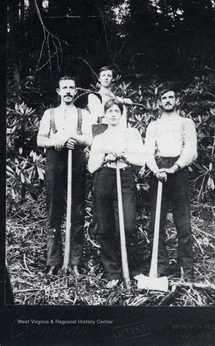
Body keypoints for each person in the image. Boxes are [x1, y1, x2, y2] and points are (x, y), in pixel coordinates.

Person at [37, 76, 92, 281]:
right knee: (54, 209)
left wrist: (72, 138)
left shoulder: (83, 114)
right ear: (58, 91)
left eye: (71, 88)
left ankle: (75, 261)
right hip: (55, 160)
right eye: (64, 88)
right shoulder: (49, 114)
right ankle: (53, 262)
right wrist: (57, 141)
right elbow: (40, 139)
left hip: (76, 159)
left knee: (76, 210)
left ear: (76, 91)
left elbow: (89, 138)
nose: (68, 91)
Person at [88, 98, 145, 288]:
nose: (113, 114)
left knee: (128, 225)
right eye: (109, 111)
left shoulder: (132, 134)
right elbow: (91, 167)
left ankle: (132, 269)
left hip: (125, 176)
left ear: (122, 114)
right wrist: (105, 155)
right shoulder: (99, 137)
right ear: (105, 115)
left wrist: (124, 154)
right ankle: (113, 273)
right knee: (105, 227)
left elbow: (141, 160)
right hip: (104, 178)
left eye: (116, 111)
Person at [145, 85, 197, 281]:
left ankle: (187, 269)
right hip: (158, 171)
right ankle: (160, 266)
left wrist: (174, 167)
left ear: (177, 100)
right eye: (164, 98)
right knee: (156, 221)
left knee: (182, 221)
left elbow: (191, 150)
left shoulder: (186, 123)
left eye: (171, 97)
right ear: (159, 102)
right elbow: (147, 151)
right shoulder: (153, 126)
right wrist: (156, 169)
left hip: (178, 170)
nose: (167, 100)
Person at [87, 66, 132, 136]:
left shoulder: (118, 99)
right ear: (99, 78)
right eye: (103, 75)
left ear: (113, 79)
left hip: (117, 133)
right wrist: (121, 101)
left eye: (109, 75)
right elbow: (99, 114)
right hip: (101, 133)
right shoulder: (94, 96)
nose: (106, 78)